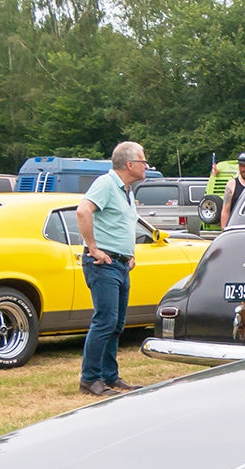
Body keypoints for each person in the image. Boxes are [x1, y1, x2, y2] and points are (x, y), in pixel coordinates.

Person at [75, 141, 149, 396]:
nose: (146, 166)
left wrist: (130, 254)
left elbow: (121, 225)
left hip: (120, 264)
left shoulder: (126, 190)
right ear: (130, 164)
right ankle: (89, 379)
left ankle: (109, 375)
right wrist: (93, 248)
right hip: (102, 265)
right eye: (143, 161)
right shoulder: (106, 184)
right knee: (104, 321)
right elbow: (83, 211)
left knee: (116, 324)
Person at [219, 151, 245, 228]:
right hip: (236, 228)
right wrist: (224, 231)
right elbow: (225, 211)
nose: (243, 169)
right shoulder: (231, 184)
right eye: (240, 166)